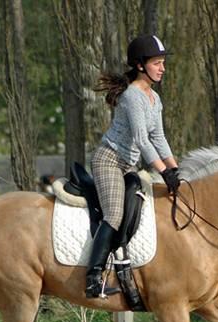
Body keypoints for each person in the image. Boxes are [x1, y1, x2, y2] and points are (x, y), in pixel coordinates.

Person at [85, 34, 180, 298]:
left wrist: (176, 170)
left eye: (163, 62)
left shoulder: (154, 99)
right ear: (140, 65)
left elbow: (158, 138)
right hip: (109, 161)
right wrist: (164, 172)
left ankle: (125, 266)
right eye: (157, 63)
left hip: (128, 165)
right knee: (114, 215)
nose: (162, 68)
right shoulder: (132, 97)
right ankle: (93, 278)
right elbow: (141, 139)